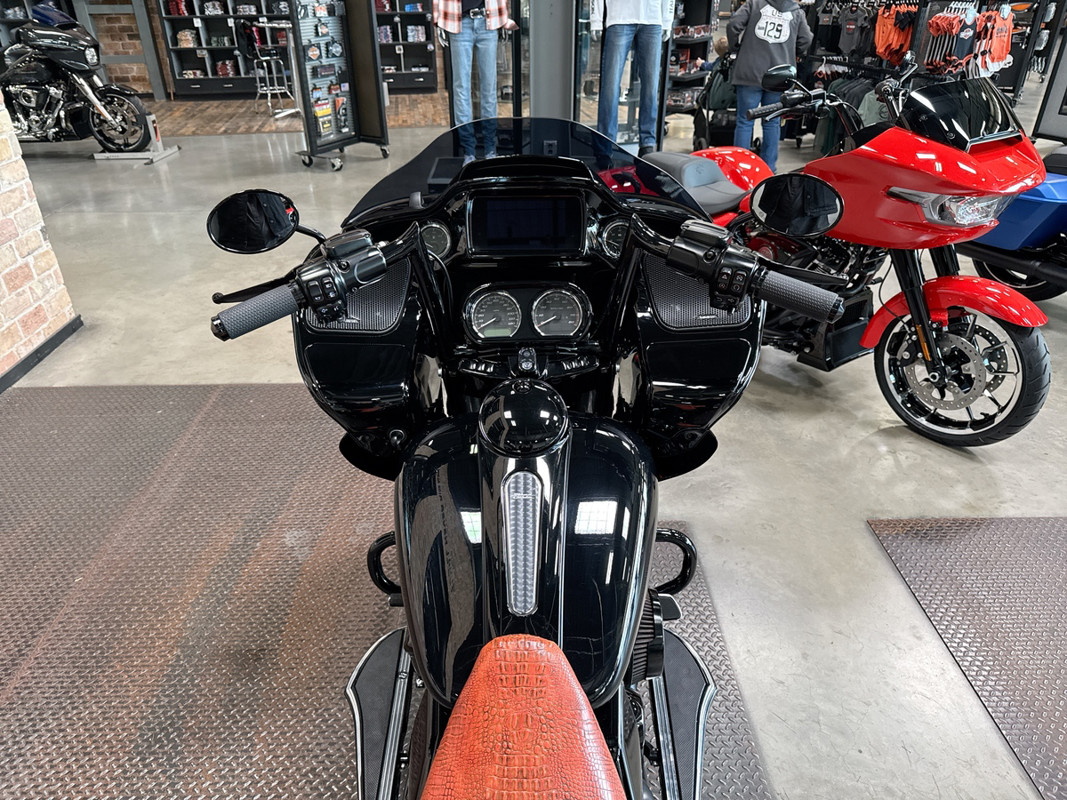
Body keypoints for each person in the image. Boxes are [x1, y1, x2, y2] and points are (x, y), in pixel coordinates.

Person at [727, 0, 811, 172]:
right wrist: (796, 52)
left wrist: (735, 46)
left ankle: (739, 168)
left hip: (750, 71)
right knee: (772, 122)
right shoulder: (797, 12)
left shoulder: (754, 4)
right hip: (779, 75)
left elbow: (733, 24)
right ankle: (769, 169)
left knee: (744, 121)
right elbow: (806, 38)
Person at [433, 0, 518, 165]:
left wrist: (503, 16)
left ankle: (490, 149)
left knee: (489, 88)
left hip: (488, 20)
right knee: (461, 89)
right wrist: (438, 20)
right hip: (459, 21)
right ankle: (469, 151)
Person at [591, 0, 675, 159]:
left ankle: (647, 143)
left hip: (652, 18)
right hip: (620, 17)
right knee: (610, 86)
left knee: (650, 86)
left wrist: (667, 19)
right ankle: (606, 144)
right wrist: (596, 18)